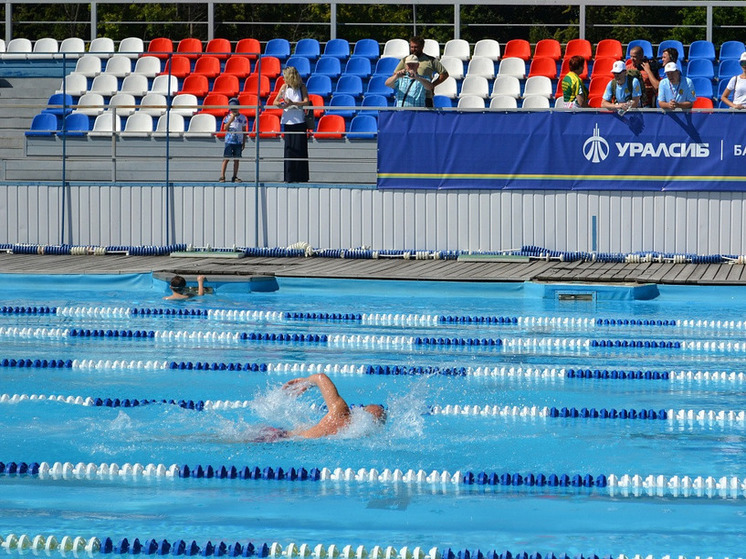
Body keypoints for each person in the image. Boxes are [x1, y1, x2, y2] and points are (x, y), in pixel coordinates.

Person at [261, 373, 386, 440]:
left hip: (278, 435)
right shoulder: (357, 436)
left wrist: (306, 382)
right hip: (286, 440)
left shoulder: (340, 413)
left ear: (359, 411)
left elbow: (321, 377)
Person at [274, 66, 310, 183]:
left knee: (300, 149)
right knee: (289, 150)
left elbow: (306, 101)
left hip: (299, 121)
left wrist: (293, 103)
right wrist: (281, 104)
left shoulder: (302, 87)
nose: (284, 79)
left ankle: (301, 176)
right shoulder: (284, 87)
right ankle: (289, 177)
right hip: (288, 121)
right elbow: (275, 101)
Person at [392, 36, 449, 107]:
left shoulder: (430, 60)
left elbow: (444, 74)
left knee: (425, 117)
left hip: (426, 96)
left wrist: (433, 85)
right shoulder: (406, 60)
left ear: (422, 47)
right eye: (412, 47)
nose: (413, 49)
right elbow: (395, 74)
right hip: (409, 96)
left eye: (416, 47)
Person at [219, 98, 247, 183]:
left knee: (236, 159)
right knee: (226, 158)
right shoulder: (227, 117)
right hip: (229, 141)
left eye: (235, 108)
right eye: (232, 108)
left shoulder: (242, 118)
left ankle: (234, 176)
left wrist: (243, 142)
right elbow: (225, 128)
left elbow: (244, 130)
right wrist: (231, 120)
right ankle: (222, 176)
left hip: (238, 141)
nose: (233, 110)